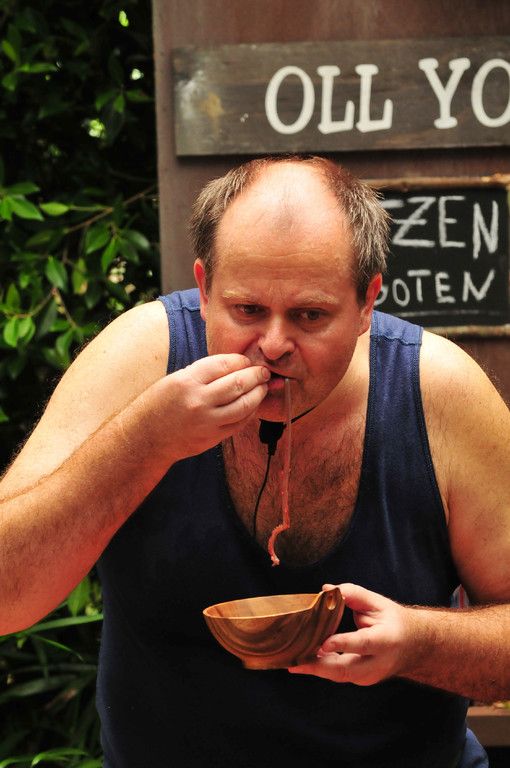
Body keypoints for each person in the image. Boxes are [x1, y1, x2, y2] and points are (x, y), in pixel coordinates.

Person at [1, 155, 509, 767]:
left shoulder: (437, 392)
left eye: (310, 316)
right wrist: (144, 441)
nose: (272, 345)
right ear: (204, 288)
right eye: (246, 310)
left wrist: (421, 643)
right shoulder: (140, 360)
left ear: (367, 302)